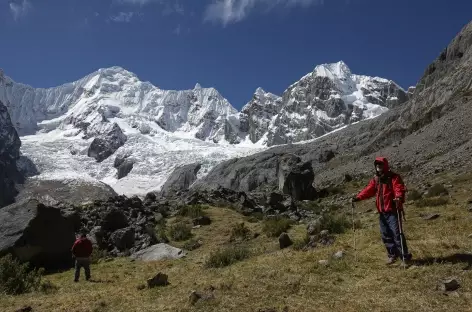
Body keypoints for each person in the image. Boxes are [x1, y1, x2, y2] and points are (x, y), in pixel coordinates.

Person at [351, 156, 412, 265]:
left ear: (385, 165)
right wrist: (358, 197)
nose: (378, 166)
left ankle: (404, 257)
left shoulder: (393, 177)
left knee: (397, 234)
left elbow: (398, 188)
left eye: (380, 164)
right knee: (386, 235)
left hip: (392, 210)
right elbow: (368, 190)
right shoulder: (376, 179)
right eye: (377, 164)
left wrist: (398, 197)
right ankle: (392, 255)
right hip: (382, 212)